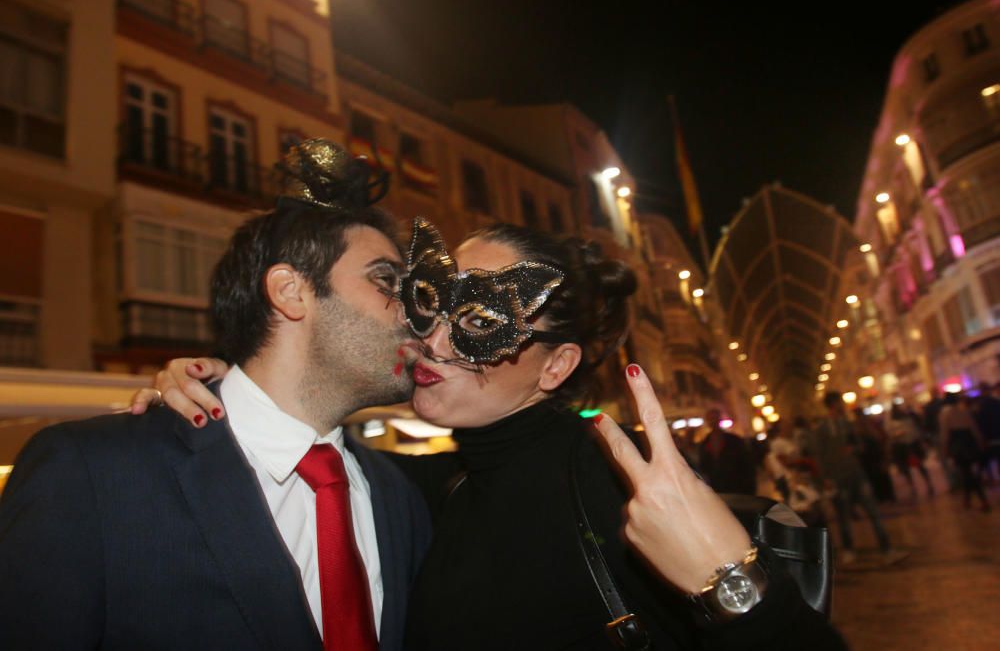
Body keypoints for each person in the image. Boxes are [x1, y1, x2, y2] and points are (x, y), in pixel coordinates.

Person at [140, 218, 847, 648]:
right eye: (429, 305)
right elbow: (298, 445)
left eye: (480, 323)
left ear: (557, 366)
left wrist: (731, 583)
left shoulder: (619, 487)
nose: (435, 340)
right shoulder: (413, 488)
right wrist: (220, 389)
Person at [0, 140, 432, 649]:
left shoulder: (399, 494)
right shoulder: (89, 473)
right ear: (291, 292)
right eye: (387, 281)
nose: (415, 311)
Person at [803, 391, 908, 566]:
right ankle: (849, 549)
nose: (843, 406)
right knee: (844, 517)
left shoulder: (848, 424)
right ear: (833, 405)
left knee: (874, 512)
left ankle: (887, 549)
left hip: (857, 475)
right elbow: (818, 456)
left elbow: (859, 445)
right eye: (840, 403)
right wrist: (825, 479)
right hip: (838, 478)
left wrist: (855, 447)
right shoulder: (822, 429)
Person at [939, 392, 991, 512]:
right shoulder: (964, 411)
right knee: (967, 472)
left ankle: (982, 500)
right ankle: (967, 499)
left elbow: (945, 434)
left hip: (958, 445)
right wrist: (980, 442)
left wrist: (945, 448)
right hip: (969, 443)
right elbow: (974, 429)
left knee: (966, 472)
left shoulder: (945, 414)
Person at [697, 407, 758, 495]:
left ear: (719, 419)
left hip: (738, 487)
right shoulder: (704, 444)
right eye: (710, 419)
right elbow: (704, 466)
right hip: (718, 489)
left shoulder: (734, 440)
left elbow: (747, 463)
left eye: (714, 418)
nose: (712, 421)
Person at [887, 402, 934, 498]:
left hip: (909, 445)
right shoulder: (897, 422)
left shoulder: (905, 421)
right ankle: (916, 486)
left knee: (918, 466)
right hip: (904, 446)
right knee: (910, 468)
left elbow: (914, 432)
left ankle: (925, 484)